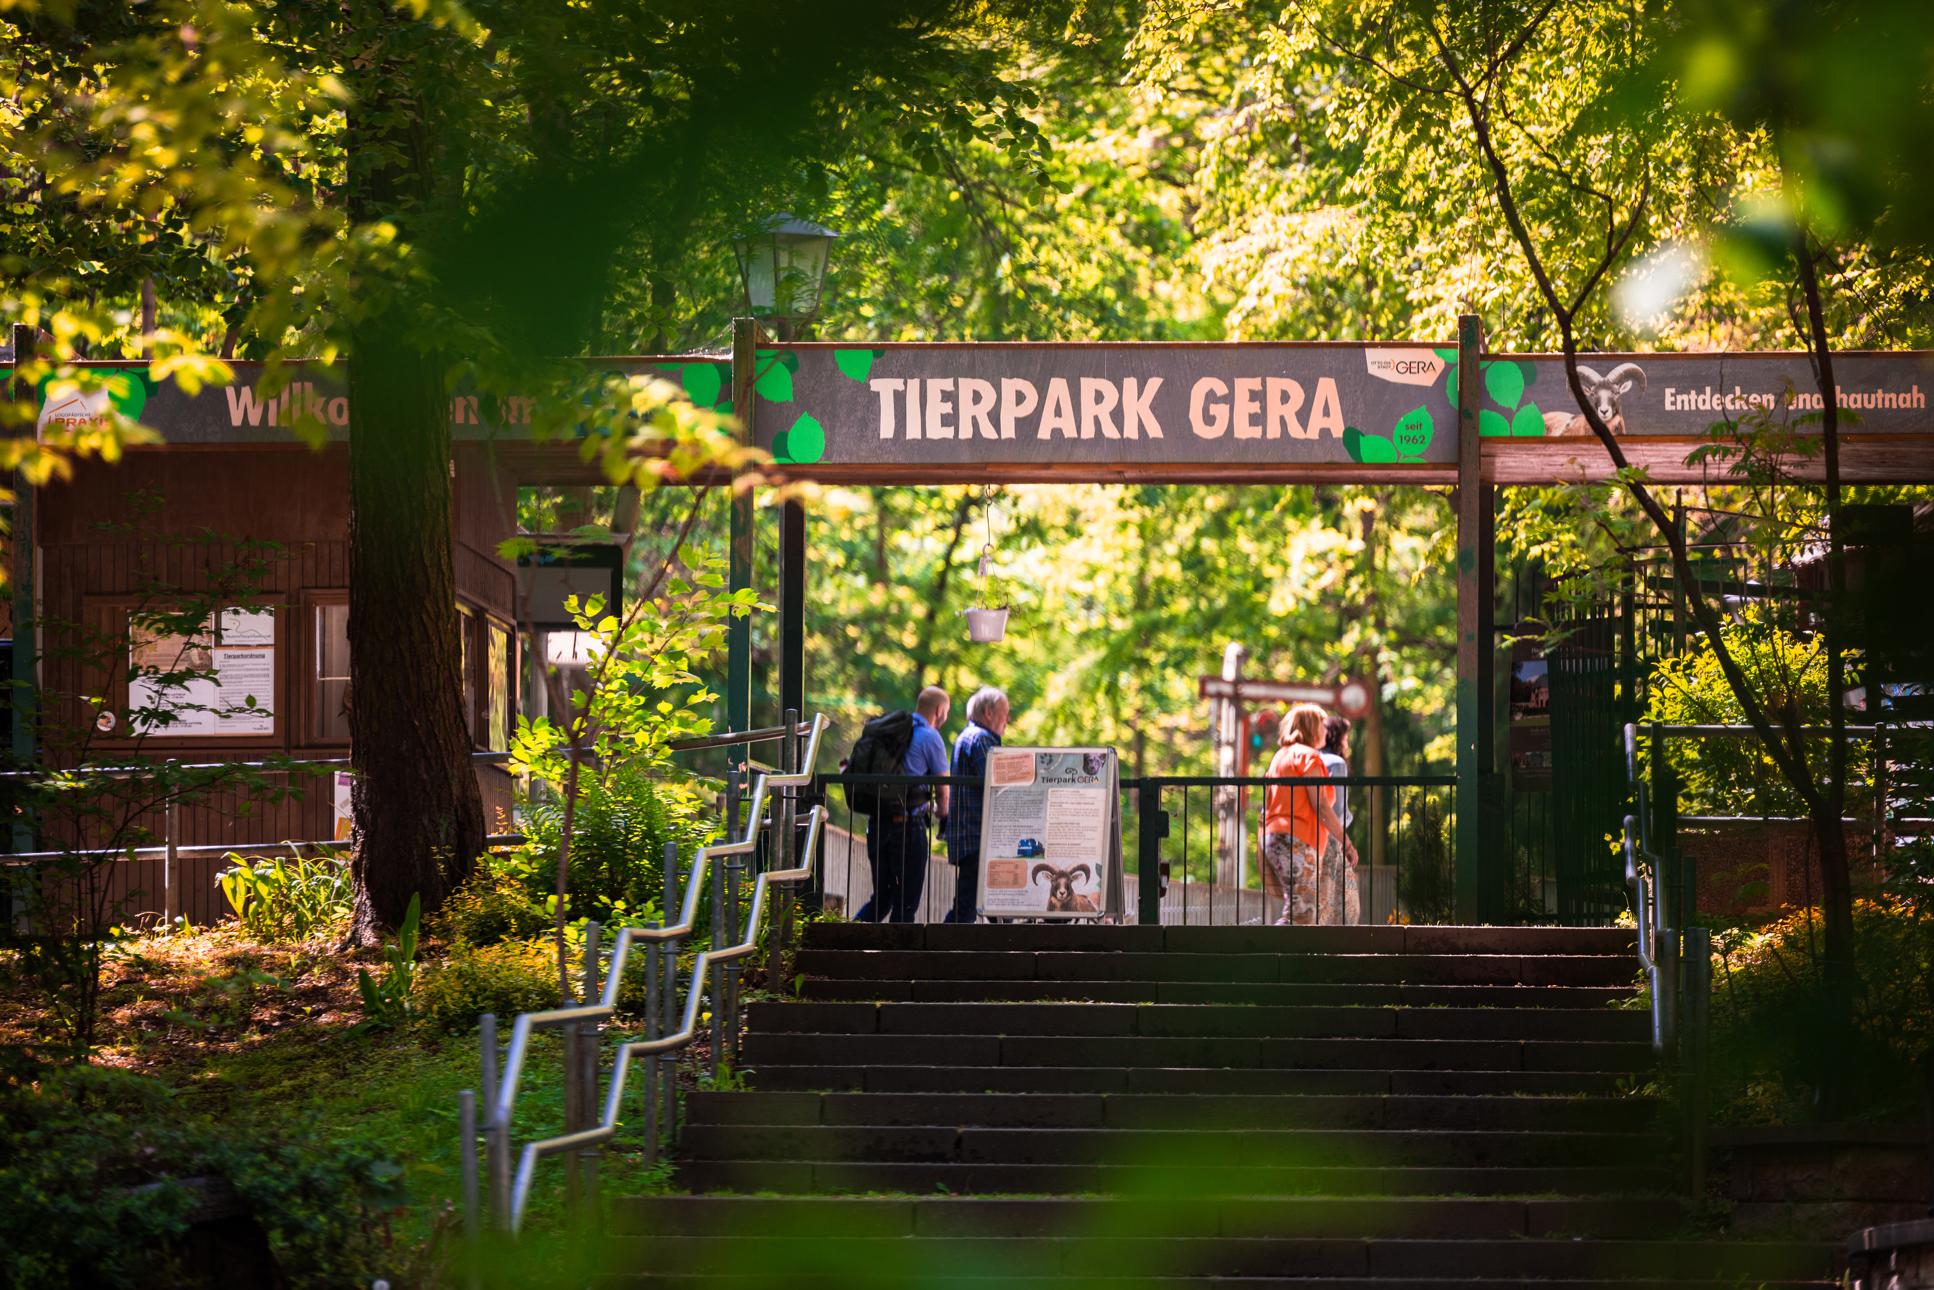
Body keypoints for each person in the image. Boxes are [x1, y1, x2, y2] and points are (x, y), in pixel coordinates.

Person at [856, 685, 950, 923]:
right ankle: (897, 956)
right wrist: (943, 815)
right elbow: (943, 788)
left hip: (878, 824)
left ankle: (841, 940)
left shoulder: (892, 732)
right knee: (906, 904)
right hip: (909, 829)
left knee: (882, 899)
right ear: (939, 711)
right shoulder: (930, 736)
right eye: (946, 712)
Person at [1261, 703, 1356, 926]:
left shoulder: (1280, 757)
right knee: (1302, 910)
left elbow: (1267, 800)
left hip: (1275, 838)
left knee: (1299, 908)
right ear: (1312, 727)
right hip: (1297, 839)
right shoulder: (1309, 757)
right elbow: (1321, 806)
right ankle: (1270, 953)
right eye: (1322, 725)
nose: (1326, 730)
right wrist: (1346, 842)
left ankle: (1283, 955)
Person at [944, 686, 1010, 923]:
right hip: (978, 838)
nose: (1008, 720)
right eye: (1005, 713)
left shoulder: (967, 737)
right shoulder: (981, 740)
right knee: (967, 908)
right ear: (989, 713)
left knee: (994, 906)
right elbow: (999, 787)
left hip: (970, 836)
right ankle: (938, 950)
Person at [1316, 714, 1361, 925]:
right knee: (1345, 903)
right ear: (1338, 737)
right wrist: (1347, 843)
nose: (1347, 742)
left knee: (1316, 899)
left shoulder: (1307, 759)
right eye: (1346, 737)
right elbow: (1338, 811)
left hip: (1306, 836)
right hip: (1330, 837)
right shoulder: (1336, 764)